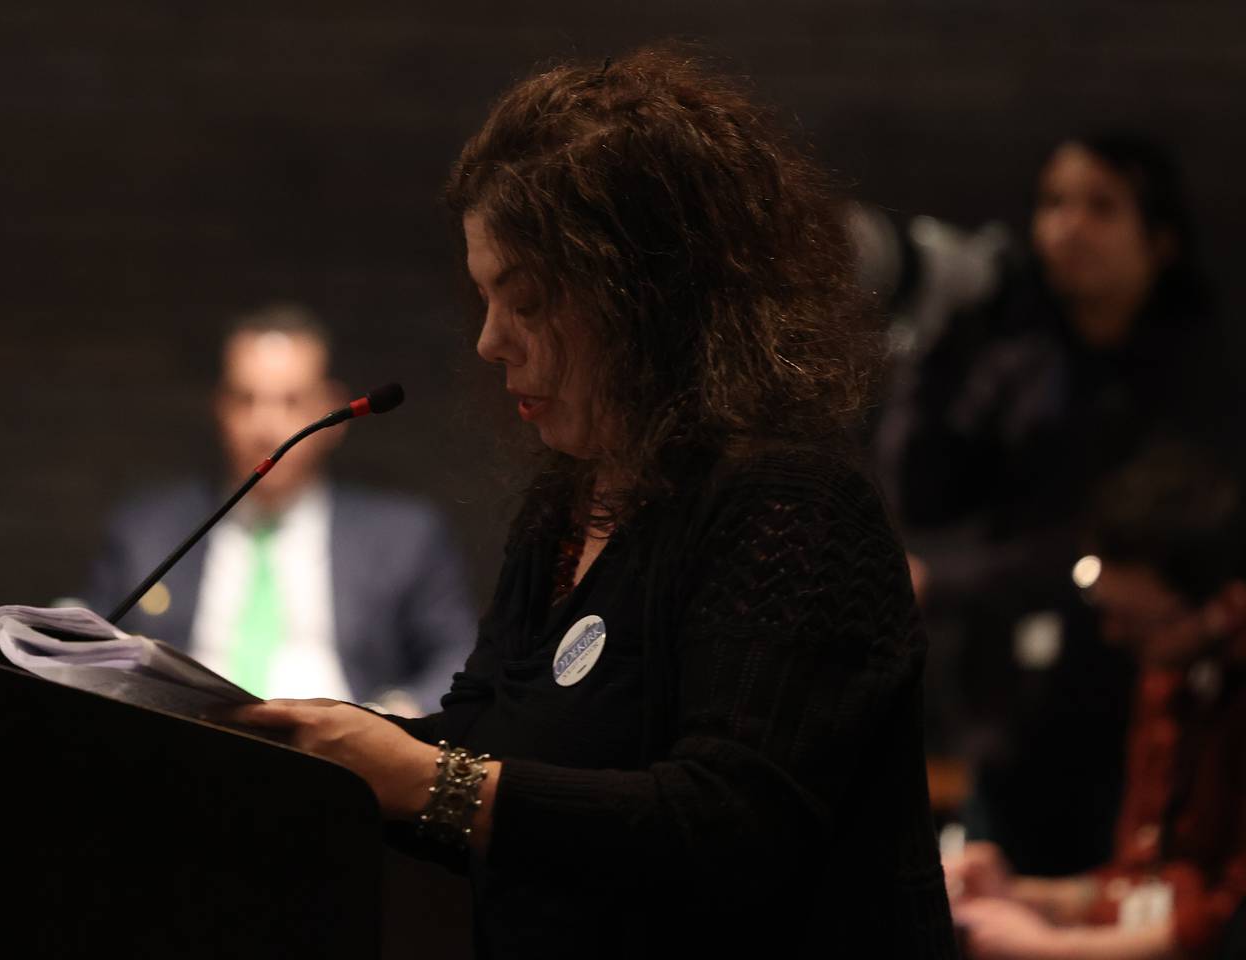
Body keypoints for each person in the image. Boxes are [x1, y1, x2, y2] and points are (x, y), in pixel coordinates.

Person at [225, 49, 957, 957]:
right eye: (484, 296)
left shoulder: (790, 500)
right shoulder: (569, 501)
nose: (491, 342)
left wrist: (427, 780)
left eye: (525, 301)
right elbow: (482, 734)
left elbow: (729, 825)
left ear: (648, 300)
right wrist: (296, 748)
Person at [880, 134, 1240, 874]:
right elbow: (922, 488)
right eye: (1052, 204)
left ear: (1161, 240)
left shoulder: (1202, 371)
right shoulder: (1012, 356)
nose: (1066, 227)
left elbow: (1127, 537)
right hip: (1011, 714)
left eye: (1100, 206)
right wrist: (935, 336)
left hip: (1148, 701)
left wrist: (952, 584)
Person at [83, 303, 477, 715]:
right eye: (246, 399)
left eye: (290, 401)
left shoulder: (404, 536)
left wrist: (393, 717)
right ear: (220, 407)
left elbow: (457, 657)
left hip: (344, 758)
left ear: (334, 412)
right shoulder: (146, 530)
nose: (265, 426)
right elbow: (90, 645)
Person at [948, 442, 1246, 960]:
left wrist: (1048, 949)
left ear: (1221, 607)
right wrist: (1026, 896)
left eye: (1135, 625)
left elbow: (1227, 925)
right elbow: (1141, 883)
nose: (1111, 635)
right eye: (1105, 609)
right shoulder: (1167, 675)